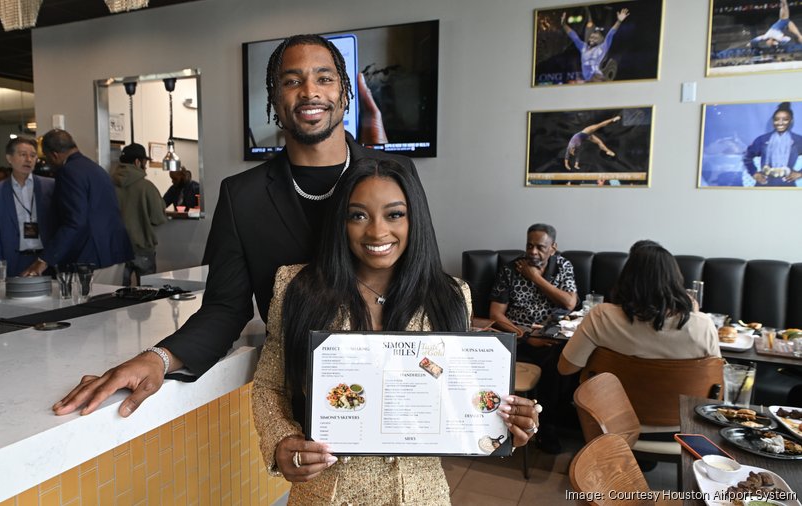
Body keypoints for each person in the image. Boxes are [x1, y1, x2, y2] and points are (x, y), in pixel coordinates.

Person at [52, 34, 426, 418]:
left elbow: (420, 278)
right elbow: (225, 309)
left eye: (324, 78)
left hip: (398, 386)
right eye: (292, 81)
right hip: (302, 397)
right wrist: (157, 358)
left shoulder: (396, 175)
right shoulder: (242, 196)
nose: (310, 91)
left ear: (344, 94)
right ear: (275, 102)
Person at [252, 158, 539, 504]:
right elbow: (270, 385)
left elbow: (458, 395)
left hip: (421, 495)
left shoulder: (449, 295)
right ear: (340, 222)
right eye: (358, 215)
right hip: (326, 495)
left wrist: (503, 428)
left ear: (414, 218)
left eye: (394, 214)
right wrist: (283, 443)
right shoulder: (297, 287)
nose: (376, 231)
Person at [558, 241, 720, 378]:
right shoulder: (703, 326)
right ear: (675, 280)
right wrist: (694, 314)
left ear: (627, 277)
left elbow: (565, 368)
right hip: (680, 415)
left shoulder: (601, 317)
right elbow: (717, 382)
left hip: (608, 413)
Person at [488, 223, 577, 453]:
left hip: (554, 337)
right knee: (551, 364)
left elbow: (569, 303)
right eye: (530, 245)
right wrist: (527, 336)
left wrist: (535, 278)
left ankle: (550, 424)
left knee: (563, 360)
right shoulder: (510, 270)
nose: (533, 252)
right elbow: (496, 314)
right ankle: (545, 429)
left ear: (553, 248)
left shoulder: (563, 266)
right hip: (519, 336)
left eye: (540, 247)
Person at [21, 129, 132, 278]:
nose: (48, 164)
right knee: (108, 301)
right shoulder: (96, 169)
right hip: (114, 252)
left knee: (85, 301)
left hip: (90, 257)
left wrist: (44, 259)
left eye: (47, 158)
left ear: (54, 155)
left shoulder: (68, 172)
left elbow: (75, 222)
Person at [0, 137, 56, 277]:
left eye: (33, 155)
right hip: (14, 260)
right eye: (23, 155)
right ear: (9, 158)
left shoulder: (50, 186)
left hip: (45, 260)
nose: (28, 159)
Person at [112, 143, 167, 286]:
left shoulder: (108, 184)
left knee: (116, 296)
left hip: (116, 249)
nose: (146, 165)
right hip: (142, 248)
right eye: (145, 162)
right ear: (138, 162)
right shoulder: (146, 187)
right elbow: (158, 218)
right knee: (148, 295)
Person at [743, 102, 802, 187]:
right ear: (773, 121)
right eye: (776, 119)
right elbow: (747, 157)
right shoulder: (762, 139)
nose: (780, 123)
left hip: (786, 184)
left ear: (791, 120)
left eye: (785, 119)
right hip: (764, 183)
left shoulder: (798, 140)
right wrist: (754, 173)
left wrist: (800, 174)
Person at [562, 8, 629, 82]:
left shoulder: (602, 47)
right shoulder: (583, 47)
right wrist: (564, 25)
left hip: (597, 78)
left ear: (601, 40)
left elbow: (610, 34)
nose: (592, 39)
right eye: (591, 37)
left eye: (595, 38)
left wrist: (619, 21)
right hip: (588, 80)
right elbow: (574, 36)